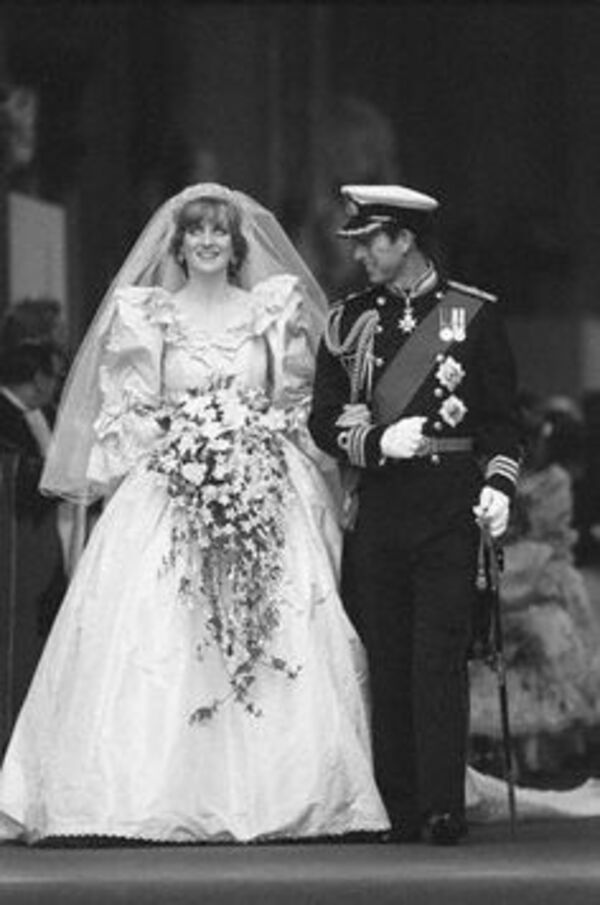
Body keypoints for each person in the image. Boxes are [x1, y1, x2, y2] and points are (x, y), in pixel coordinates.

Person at [0, 183, 389, 844]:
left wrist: (255, 442)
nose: (207, 242)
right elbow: (130, 409)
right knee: (153, 631)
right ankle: (138, 793)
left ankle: (283, 793)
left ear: (236, 246)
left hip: (262, 483)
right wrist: (184, 447)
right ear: (178, 245)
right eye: (196, 232)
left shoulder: (272, 309)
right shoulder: (147, 315)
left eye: (218, 232)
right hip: (169, 485)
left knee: (277, 629)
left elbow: (295, 404)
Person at [308, 184, 524, 845]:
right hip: (380, 509)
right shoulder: (347, 320)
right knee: (390, 655)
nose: (360, 255)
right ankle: (397, 806)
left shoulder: (473, 314)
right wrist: (375, 441)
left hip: (449, 507)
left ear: (405, 241)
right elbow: (322, 418)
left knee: (439, 656)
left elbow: (502, 422)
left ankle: (441, 805)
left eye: (371, 242)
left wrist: (499, 486)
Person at [0, 340, 67, 721]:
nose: (56, 385)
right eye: (55, 376)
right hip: (16, 544)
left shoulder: (42, 414)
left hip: (42, 541)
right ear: (38, 378)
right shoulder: (6, 418)